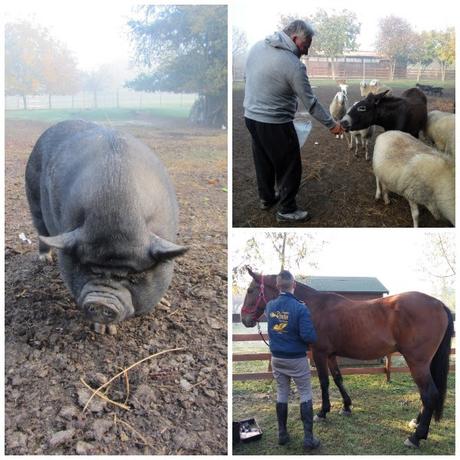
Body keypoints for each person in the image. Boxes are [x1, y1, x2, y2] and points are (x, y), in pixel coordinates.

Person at [244, 20, 344, 223]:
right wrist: (332, 125)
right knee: (290, 164)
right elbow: (312, 104)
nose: (305, 53)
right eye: (305, 47)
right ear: (295, 38)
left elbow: (249, 78)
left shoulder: (257, 47)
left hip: (251, 117)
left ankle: (266, 198)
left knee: (263, 159)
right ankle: (287, 210)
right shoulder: (293, 65)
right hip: (275, 123)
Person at [265, 270, 320, 450]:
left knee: (282, 393)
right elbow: (308, 336)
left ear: (277, 285)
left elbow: (274, 329)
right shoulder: (300, 307)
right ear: (294, 285)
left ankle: (282, 434)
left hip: (277, 358)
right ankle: (308, 439)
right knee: (305, 393)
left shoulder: (270, 306)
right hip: (296, 359)